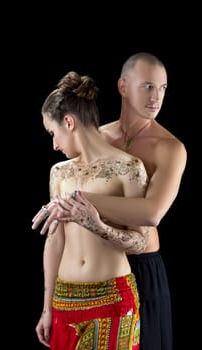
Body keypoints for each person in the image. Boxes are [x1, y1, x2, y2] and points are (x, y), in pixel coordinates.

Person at [32, 53, 187, 350]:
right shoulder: (95, 137)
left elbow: (152, 213)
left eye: (163, 88)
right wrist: (47, 305)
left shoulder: (169, 148)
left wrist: (75, 203)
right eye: (148, 86)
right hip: (79, 283)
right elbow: (58, 233)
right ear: (123, 86)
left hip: (139, 265)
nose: (157, 97)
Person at [35, 70, 150, 349]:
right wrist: (47, 307)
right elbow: (55, 239)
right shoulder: (58, 173)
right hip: (64, 299)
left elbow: (141, 241)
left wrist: (97, 226)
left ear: (69, 122)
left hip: (113, 299)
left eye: (53, 133)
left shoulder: (129, 168)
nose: (54, 144)